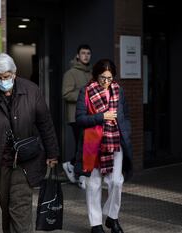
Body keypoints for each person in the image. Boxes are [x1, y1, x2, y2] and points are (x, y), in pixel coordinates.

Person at [0, 53, 59, 233]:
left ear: (14, 73)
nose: (3, 81)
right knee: (7, 209)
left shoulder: (32, 91)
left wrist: (52, 153)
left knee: (19, 208)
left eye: (6, 77)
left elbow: (45, 124)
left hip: (25, 161)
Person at [75, 59, 133, 233]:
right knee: (93, 185)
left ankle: (112, 216)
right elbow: (80, 119)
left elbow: (126, 115)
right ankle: (96, 224)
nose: (106, 82)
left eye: (109, 78)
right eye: (102, 78)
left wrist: (126, 132)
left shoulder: (118, 91)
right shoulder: (86, 91)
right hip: (93, 144)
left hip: (115, 142)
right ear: (96, 75)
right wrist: (101, 117)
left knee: (117, 181)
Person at [62, 44, 92, 184]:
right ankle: (80, 176)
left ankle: (73, 166)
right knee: (82, 145)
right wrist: (85, 95)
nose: (86, 56)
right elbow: (66, 94)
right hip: (75, 116)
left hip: (89, 116)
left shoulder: (91, 73)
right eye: (83, 53)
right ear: (78, 56)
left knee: (86, 146)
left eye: (88, 53)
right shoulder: (70, 73)